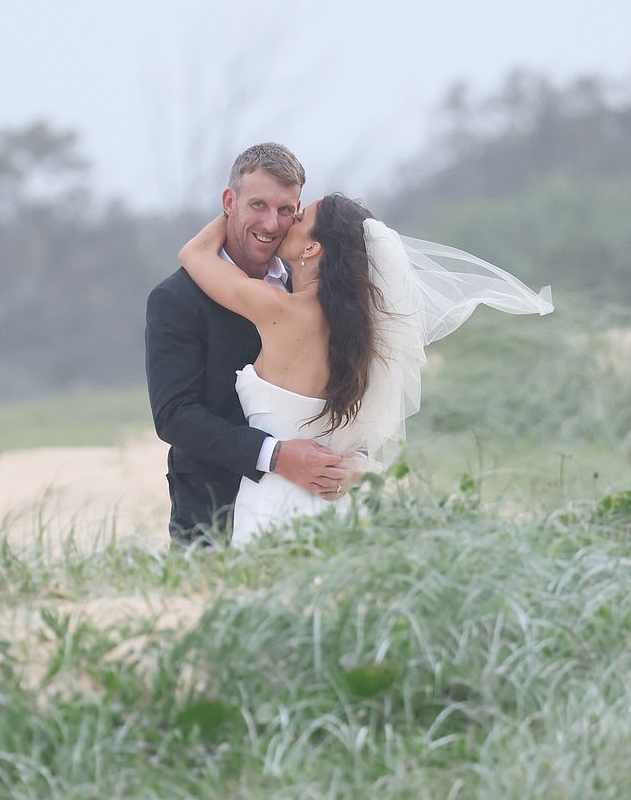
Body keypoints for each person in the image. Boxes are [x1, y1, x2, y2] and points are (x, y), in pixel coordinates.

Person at [179, 193, 554, 545]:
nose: (288, 219)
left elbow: (194, 253)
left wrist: (244, 205)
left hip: (271, 502)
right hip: (334, 503)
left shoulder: (282, 311)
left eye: (298, 215)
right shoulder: (363, 334)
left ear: (312, 248)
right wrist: (354, 464)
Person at [145, 143, 352, 543]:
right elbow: (174, 414)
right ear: (229, 202)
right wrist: (275, 456)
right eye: (257, 205)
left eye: (285, 210)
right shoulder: (175, 298)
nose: (271, 224)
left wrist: (348, 461)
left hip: (309, 509)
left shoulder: (310, 291)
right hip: (210, 512)